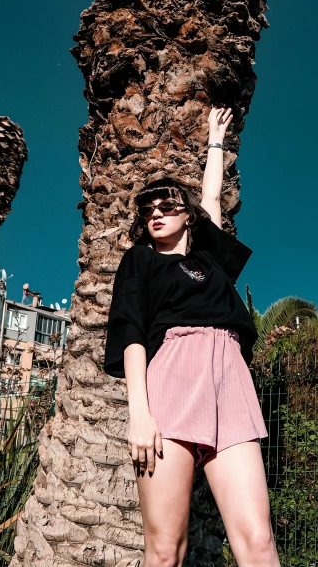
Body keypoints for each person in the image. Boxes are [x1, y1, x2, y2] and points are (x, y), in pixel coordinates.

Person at [104, 107, 280, 567]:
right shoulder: (140, 261)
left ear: (187, 214)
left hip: (230, 377)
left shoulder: (211, 258)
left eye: (166, 207)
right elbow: (132, 334)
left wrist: (215, 142)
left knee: (257, 542)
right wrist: (139, 414)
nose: (156, 215)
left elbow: (212, 195)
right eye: (148, 211)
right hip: (172, 379)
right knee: (166, 550)